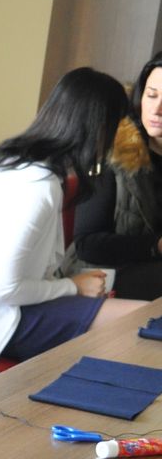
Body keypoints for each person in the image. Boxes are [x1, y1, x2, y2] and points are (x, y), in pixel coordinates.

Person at [0, 68, 149, 380]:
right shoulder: (39, 185)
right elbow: (5, 289)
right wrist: (73, 286)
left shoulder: (11, 160)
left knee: (134, 318)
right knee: (141, 321)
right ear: (98, 128)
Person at [73, 52, 162, 299]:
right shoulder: (112, 150)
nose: (157, 109)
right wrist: (156, 245)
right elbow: (86, 244)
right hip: (103, 274)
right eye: (151, 95)